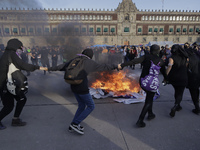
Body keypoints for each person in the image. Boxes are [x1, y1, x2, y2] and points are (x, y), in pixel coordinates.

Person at [48, 48, 117, 135]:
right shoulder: (88, 62)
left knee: (81, 105)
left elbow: (61, 66)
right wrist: (116, 66)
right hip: (82, 88)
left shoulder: (75, 60)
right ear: (90, 56)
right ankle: (75, 123)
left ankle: (72, 126)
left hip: (73, 86)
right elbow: (103, 67)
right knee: (91, 106)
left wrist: (47, 68)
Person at [0, 38, 46, 130]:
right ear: (15, 46)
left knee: (22, 99)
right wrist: (38, 67)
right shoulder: (11, 54)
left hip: (10, 84)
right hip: (5, 85)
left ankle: (15, 119)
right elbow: (23, 65)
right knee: (8, 106)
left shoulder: (6, 54)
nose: (21, 49)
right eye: (20, 47)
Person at [118, 44, 167, 127]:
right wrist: (166, 79)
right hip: (152, 84)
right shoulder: (160, 61)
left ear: (150, 50)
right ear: (158, 51)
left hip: (143, 82)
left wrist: (122, 65)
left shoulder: (146, 57)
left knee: (149, 97)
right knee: (148, 100)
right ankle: (140, 120)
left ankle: (150, 113)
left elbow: (134, 61)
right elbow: (164, 72)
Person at [166, 44, 189, 117]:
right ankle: (176, 105)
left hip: (174, 77)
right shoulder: (185, 57)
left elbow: (169, 67)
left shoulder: (171, 58)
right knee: (180, 92)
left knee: (176, 91)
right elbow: (187, 65)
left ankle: (177, 105)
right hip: (183, 76)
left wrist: (165, 75)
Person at [184, 43, 200, 115]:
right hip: (198, 76)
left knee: (193, 92)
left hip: (192, 77)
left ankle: (197, 108)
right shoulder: (197, 57)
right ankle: (197, 101)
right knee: (196, 90)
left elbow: (185, 68)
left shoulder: (188, 60)